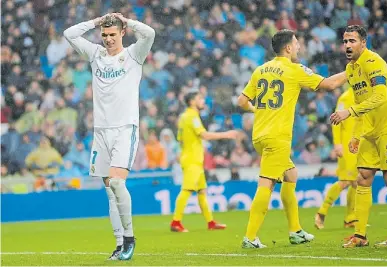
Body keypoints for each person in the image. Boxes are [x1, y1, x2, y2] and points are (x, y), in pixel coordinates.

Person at [237, 29, 347, 248]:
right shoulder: (294, 69)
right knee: (266, 184)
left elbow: (241, 101)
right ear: (288, 48)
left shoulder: (261, 69)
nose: (299, 47)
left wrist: (257, 110)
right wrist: (353, 69)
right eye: (296, 43)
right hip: (277, 136)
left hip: (260, 134)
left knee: (291, 175)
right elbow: (329, 84)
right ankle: (250, 237)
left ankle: (295, 230)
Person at [63, 13, 155, 260]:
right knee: (109, 190)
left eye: (113, 34)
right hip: (101, 131)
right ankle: (118, 244)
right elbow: (69, 34)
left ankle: (130, 238)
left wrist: (127, 20)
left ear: (122, 33)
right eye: (104, 35)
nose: (108, 39)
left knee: (117, 183)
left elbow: (150, 33)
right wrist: (94, 21)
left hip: (125, 128)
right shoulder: (95, 55)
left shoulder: (134, 55)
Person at [330, 25, 387, 248]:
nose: (347, 45)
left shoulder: (373, 62)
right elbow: (359, 103)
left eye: (352, 41)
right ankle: (360, 236)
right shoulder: (351, 69)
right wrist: (356, 134)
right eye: (345, 41)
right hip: (370, 130)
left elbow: (380, 97)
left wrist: (349, 113)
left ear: (363, 43)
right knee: (362, 177)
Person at [170, 90, 238, 232]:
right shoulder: (192, 116)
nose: (203, 101)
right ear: (192, 102)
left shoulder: (183, 117)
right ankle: (176, 222)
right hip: (192, 160)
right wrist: (226, 134)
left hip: (191, 158)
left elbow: (180, 139)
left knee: (202, 191)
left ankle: (210, 222)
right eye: (200, 98)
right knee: (187, 190)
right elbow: (204, 135)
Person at [315, 88, 358, 229]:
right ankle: (321, 212)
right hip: (346, 147)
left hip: (357, 146)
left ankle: (350, 218)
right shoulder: (345, 97)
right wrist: (337, 143)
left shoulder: (364, 96)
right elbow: (336, 121)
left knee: (356, 182)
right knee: (345, 181)